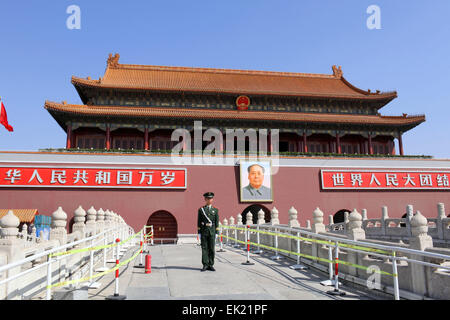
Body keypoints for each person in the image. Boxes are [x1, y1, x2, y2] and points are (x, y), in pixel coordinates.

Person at [197, 192, 220, 271]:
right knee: (204, 248)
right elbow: (199, 221)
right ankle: (205, 264)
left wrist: (217, 232)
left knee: (212, 248)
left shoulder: (215, 210)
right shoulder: (201, 210)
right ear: (205, 199)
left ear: (212, 199)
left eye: (211, 198)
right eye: (208, 198)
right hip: (204, 231)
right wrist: (199, 232)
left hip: (212, 232)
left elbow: (216, 222)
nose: (209, 200)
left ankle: (211, 264)